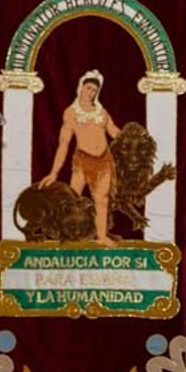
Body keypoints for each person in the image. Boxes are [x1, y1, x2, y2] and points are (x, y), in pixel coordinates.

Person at [39, 69, 121, 244]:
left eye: (94, 90)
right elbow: (64, 144)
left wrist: (130, 138)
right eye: (88, 88)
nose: (91, 92)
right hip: (82, 161)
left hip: (103, 160)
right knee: (73, 199)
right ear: (81, 87)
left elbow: (113, 130)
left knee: (102, 199)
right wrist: (54, 173)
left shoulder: (101, 111)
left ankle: (102, 236)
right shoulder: (71, 112)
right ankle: (67, 235)